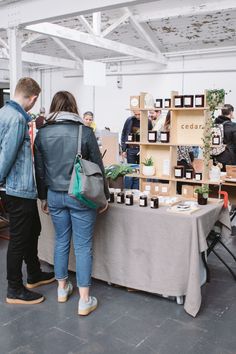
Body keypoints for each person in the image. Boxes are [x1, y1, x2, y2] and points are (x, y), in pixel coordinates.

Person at [34, 91, 109, 316]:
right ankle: (84, 299)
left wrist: (43, 197)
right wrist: (104, 196)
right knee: (83, 246)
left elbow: (39, 170)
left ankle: (61, 289)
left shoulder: (42, 133)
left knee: (61, 241)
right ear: (73, 107)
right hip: (81, 195)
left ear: (54, 107)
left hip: (55, 195)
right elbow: (98, 167)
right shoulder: (84, 132)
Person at [0, 77, 55, 305]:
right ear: (32, 98)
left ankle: (34, 273)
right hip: (16, 189)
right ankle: (14, 288)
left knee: (33, 229)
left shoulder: (4, 112)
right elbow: (7, 156)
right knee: (20, 239)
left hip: (18, 188)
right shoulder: (17, 119)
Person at [121, 111, 152, 189]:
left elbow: (151, 135)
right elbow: (124, 133)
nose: (137, 116)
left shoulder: (148, 121)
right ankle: (127, 190)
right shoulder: (129, 120)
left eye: (139, 114)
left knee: (140, 171)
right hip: (130, 149)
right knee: (130, 170)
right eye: (136, 114)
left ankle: (137, 189)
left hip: (141, 149)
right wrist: (124, 149)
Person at [213, 104, 236, 170]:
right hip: (230, 158)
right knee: (230, 178)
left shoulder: (215, 125)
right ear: (231, 112)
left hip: (216, 157)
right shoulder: (233, 126)